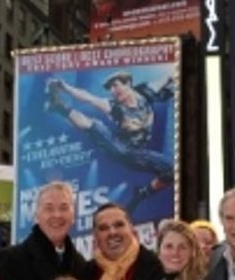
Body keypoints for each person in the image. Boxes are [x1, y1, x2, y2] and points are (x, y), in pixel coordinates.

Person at [47, 75, 177, 211]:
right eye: (110, 88)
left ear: (128, 84)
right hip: (119, 147)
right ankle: (60, 107)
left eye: (115, 85)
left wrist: (170, 78)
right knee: (95, 126)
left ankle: (142, 193)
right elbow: (89, 98)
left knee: (171, 170)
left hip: (139, 154)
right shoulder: (115, 107)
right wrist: (64, 87)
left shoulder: (145, 92)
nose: (112, 91)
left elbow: (164, 79)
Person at [0, 181, 89, 280]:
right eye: (49, 208)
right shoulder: (7, 260)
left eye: (64, 208)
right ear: (37, 215)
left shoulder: (81, 266)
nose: (57, 215)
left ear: (73, 215)